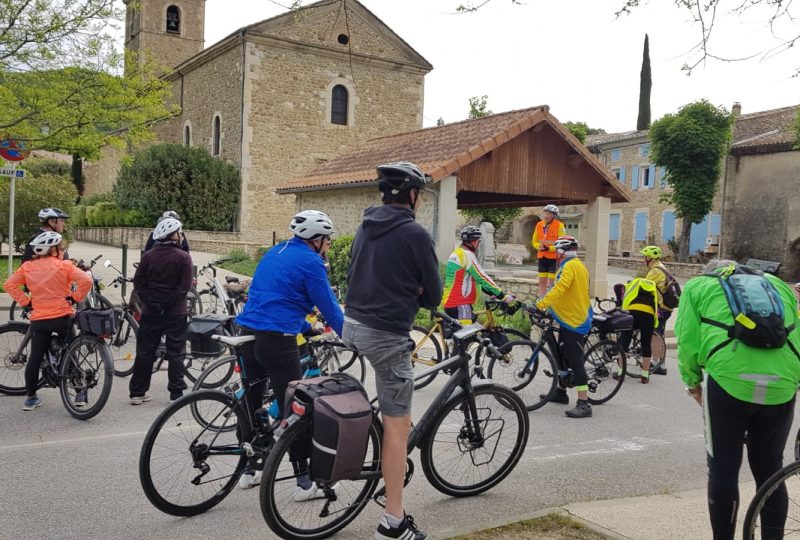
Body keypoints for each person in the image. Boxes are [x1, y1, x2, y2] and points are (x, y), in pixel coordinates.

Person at [343, 161, 442, 540]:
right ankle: (394, 522)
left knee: (390, 407)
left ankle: (385, 459)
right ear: (414, 196)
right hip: (386, 336)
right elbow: (433, 295)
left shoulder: (364, 227)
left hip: (352, 326)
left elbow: (353, 275)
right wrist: (415, 291)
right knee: (396, 426)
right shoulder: (416, 235)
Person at [676, 259, 800, 540]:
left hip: (729, 379)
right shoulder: (778, 285)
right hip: (782, 382)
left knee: (723, 468)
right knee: (770, 469)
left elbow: (687, 339)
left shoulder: (698, 286)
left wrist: (692, 382)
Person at [234, 210, 344, 492]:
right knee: (297, 410)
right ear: (317, 240)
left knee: (251, 401)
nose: (329, 245)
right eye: (328, 240)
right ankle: (305, 481)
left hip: (247, 334)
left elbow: (275, 295)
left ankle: (250, 468)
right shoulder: (311, 261)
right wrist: (352, 336)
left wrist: (304, 327)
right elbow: (330, 308)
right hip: (277, 340)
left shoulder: (275, 252)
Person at [4, 232, 92, 410]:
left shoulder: (27, 267)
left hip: (40, 320)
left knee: (35, 358)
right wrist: (74, 298)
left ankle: (30, 398)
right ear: (52, 250)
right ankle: (79, 394)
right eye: (59, 247)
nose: (61, 250)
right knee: (71, 353)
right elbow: (86, 281)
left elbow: (9, 285)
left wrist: (26, 302)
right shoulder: (64, 266)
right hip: (63, 317)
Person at [129, 217, 194, 405]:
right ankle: (176, 392)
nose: (181, 236)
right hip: (175, 312)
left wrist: (152, 302)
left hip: (150, 311)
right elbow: (184, 288)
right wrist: (167, 303)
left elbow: (139, 283)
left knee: (145, 351)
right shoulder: (184, 257)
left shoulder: (148, 256)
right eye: (180, 232)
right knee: (176, 352)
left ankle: (137, 392)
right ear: (173, 235)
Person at [535, 235, 593, 418]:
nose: (555, 256)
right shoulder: (578, 265)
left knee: (576, 361)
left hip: (574, 320)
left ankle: (584, 403)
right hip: (568, 317)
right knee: (562, 353)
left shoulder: (569, 266)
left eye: (556, 252)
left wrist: (541, 304)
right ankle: (560, 391)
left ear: (561, 251)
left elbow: (560, 288)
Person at [442, 225, 515, 323]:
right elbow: (482, 277)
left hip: (453, 303)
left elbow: (473, 278)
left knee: (468, 334)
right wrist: (502, 295)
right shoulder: (467, 255)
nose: (478, 244)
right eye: (478, 242)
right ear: (474, 241)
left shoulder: (457, 253)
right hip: (460, 304)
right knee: (467, 337)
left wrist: (491, 292)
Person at [616, 271, 659, 384]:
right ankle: (645, 375)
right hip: (648, 315)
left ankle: (621, 372)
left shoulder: (633, 283)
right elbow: (657, 303)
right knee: (646, 344)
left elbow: (621, 291)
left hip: (632, 312)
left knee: (624, 341)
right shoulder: (652, 286)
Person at [640, 245, 673, 375]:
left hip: (661, 308)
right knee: (659, 334)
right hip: (666, 308)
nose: (643, 259)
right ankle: (659, 362)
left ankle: (658, 364)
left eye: (645, 256)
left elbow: (644, 286)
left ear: (650, 257)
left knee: (655, 335)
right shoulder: (661, 267)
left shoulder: (655, 271)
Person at [531, 204, 566, 297]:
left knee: (552, 282)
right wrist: (538, 246)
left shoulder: (559, 225)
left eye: (549, 214)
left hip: (554, 258)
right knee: (542, 281)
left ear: (554, 215)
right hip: (542, 256)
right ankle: (541, 300)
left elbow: (562, 243)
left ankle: (551, 302)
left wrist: (549, 248)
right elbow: (534, 241)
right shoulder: (539, 225)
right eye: (545, 213)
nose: (546, 216)